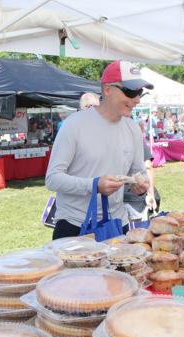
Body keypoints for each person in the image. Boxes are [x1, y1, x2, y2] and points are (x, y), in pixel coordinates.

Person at [45, 60, 152, 240]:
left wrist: (140, 186)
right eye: (131, 91)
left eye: (140, 92)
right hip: (75, 225)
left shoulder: (133, 128)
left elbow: (138, 172)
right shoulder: (75, 125)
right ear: (108, 89)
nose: (137, 99)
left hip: (117, 225)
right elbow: (52, 179)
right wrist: (93, 185)